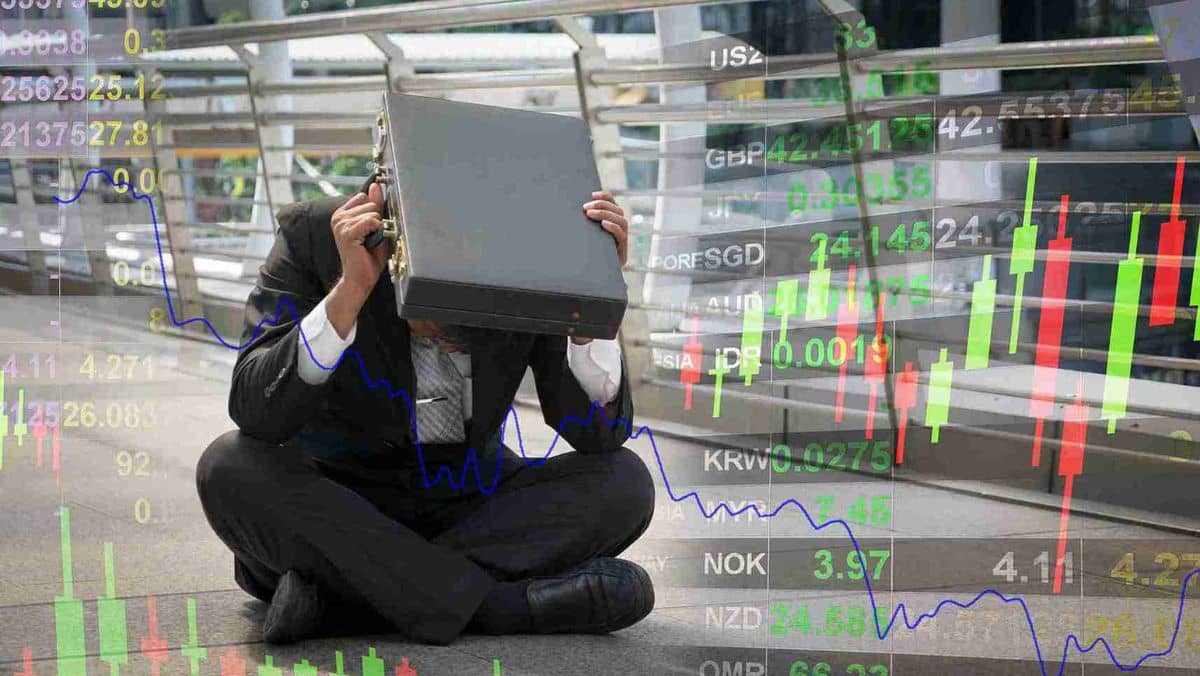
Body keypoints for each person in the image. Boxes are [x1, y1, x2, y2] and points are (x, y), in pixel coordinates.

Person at [195, 180, 655, 645]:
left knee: (625, 482)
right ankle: (500, 607)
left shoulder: (527, 256)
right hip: (339, 502)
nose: (446, 337)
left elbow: (598, 436)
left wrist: (590, 301)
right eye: (431, 313)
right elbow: (256, 411)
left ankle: (344, 601)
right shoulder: (312, 236)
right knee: (228, 466)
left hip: (466, 504)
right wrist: (348, 293)